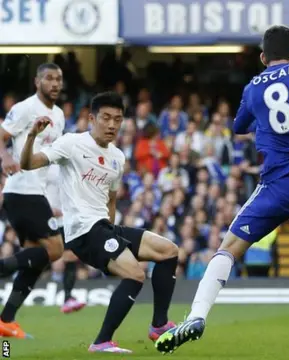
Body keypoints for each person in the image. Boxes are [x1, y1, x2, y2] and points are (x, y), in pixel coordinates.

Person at [154, 25, 289, 354]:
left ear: (262, 57)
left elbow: (238, 126)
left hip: (278, 185)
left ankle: (197, 316)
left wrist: (259, 114)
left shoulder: (253, 87)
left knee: (228, 248)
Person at [20, 92, 180, 354]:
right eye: (106, 118)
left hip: (104, 227)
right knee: (135, 274)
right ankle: (102, 342)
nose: (112, 125)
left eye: (117, 119)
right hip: (82, 230)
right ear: (91, 118)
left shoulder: (117, 156)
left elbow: (112, 199)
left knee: (169, 251)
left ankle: (159, 325)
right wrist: (31, 136)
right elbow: (28, 164)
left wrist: (113, 238)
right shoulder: (71, 143)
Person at [0, 63, 66, 338]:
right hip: (20, 191)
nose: (54, 83)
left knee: (35, 260)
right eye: (49, 78)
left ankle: (5, 321)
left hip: (36, 194)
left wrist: (51, 199)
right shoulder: (25, 108)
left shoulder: (59, 116)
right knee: (56, 249)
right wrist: (5, 157)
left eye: (58, 79)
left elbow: (50, 161)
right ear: (37, 81)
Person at [45, 164, 87, 314]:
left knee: (70, 256)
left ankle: (68, 297)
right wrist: (44, 208)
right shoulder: (47, 165)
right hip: (48, 217)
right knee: (41, 257)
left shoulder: (71, 165)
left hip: (66, 219)